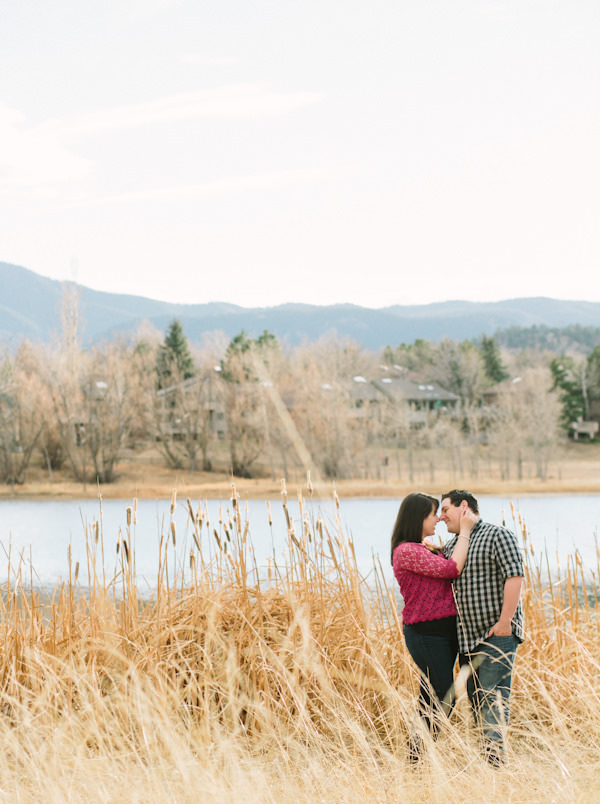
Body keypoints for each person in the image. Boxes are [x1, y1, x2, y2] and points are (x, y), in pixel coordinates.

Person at [440, 489, 524, 766]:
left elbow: (515, 576)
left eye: (445, 510)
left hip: (495, 634)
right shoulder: (454, 546)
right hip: (467, 640)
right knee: (479, 703)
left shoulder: (498, 535)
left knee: (491, 698)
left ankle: (495, 765)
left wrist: (504, 624)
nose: (441, 518)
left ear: (464, 507)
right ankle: (492, 764)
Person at [391, 492, 476, 757]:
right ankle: (418, 755)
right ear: (418, 517)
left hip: (442, 633)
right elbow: (452, 570)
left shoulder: (422, 547)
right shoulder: (406, 551)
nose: (438, 518)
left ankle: (418, 759)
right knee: (443, 694)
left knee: (431, 695)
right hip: (426, 633)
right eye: (432, 514)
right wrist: (464, 532)